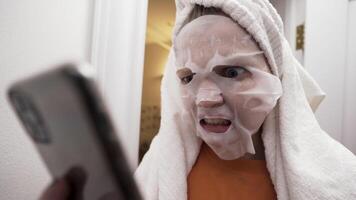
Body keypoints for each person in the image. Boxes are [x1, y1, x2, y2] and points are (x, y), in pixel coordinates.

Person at [135, 1, 356, 200]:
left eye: (231, 72)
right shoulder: (156, 170)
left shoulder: (343, 179)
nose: (205, 99)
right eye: (188, 77)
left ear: (276, 74)